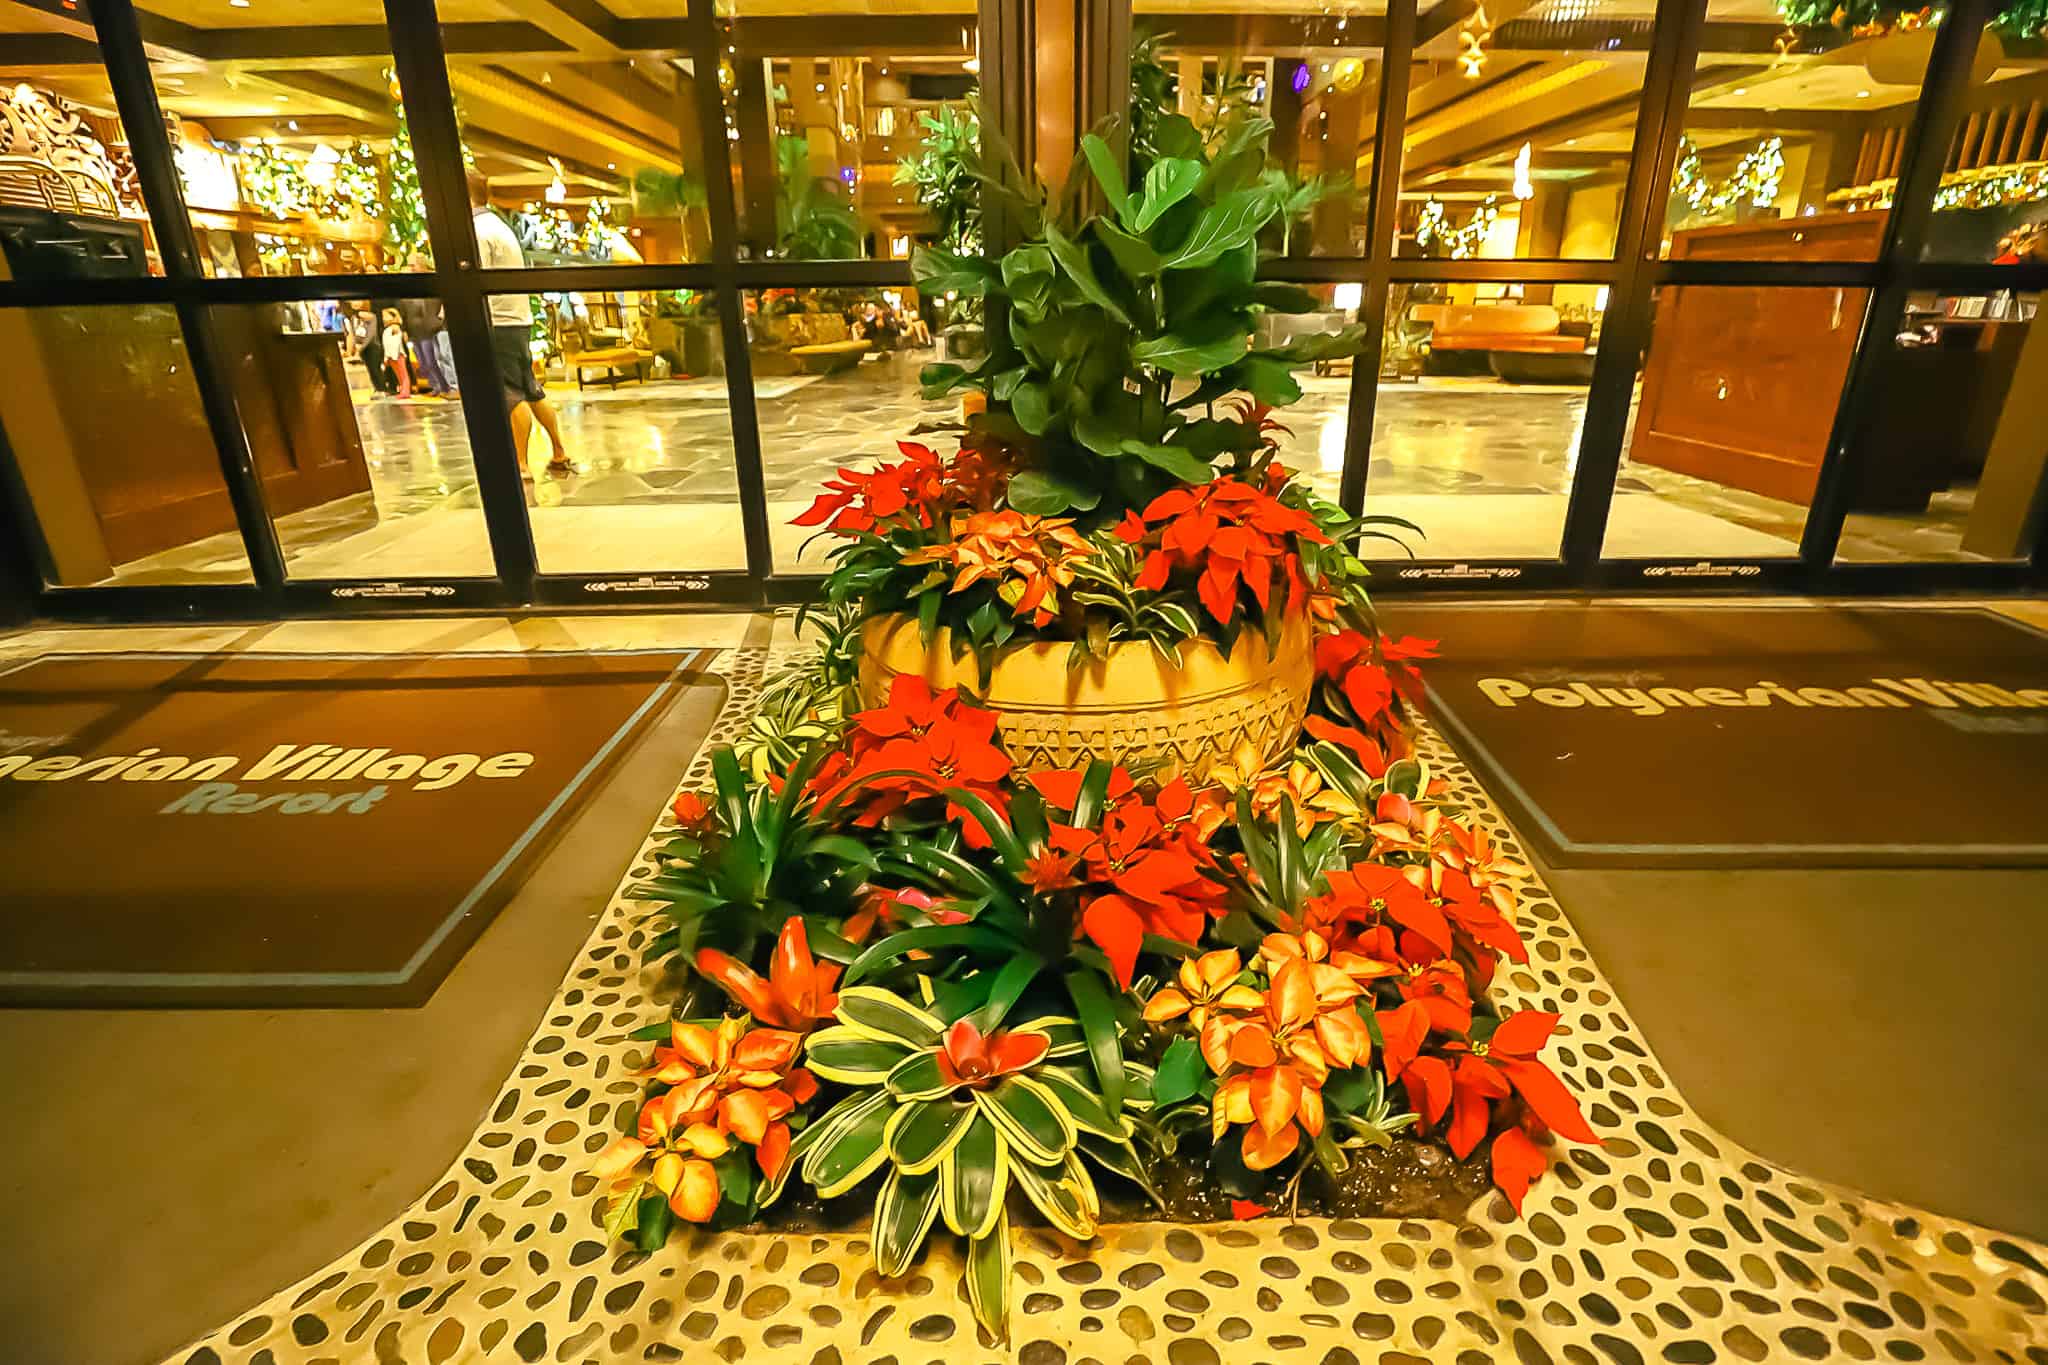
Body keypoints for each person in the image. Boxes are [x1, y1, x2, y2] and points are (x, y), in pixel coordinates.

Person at [468, 167, 574, 478]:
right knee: (530, 390)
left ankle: (521, 464)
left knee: (510, 395)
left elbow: (477, 283)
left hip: (499, 322)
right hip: (517, 319)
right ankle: (558, 451)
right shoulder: (499, 226)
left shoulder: (477, 231)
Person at [401, 254, 456, 398]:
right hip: (422, 329)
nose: (411, 268)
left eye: (413, 265)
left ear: (421, 265)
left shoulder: (433, 279)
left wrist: (440, 316)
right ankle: (441, 387)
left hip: (438, 326)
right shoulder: (413, 286)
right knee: (433, 360)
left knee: (442, 357)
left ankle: (452, 387)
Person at [380, 306, 412, 398]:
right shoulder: (387, 329)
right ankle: (403, 390)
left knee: (403, 374)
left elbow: (396, 343)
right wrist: (386, 357)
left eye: (385, 316)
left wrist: (394, 355)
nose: (383, 318)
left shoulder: (395, 327)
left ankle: (406, 392)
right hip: (390, 355)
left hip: (397, 354)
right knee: (398, 374)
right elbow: (386, 344)